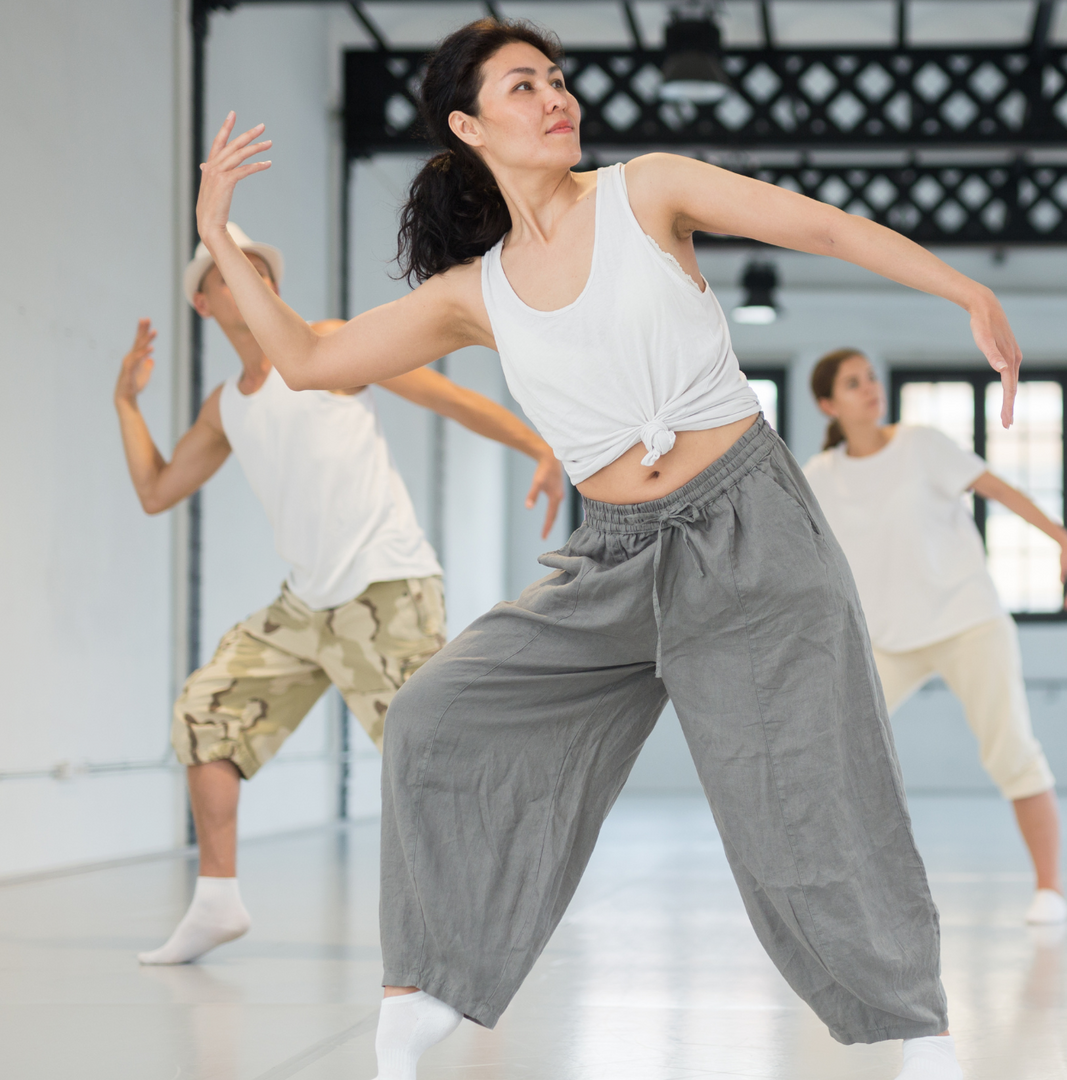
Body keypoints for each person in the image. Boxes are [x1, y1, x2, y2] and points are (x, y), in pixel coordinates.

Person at [192, 18, 1022, 1080]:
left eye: (557, 79)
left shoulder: (648, 192)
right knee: (436, 713)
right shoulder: (475, 294)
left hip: (752, 532)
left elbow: (818, 227)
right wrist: (218, 233)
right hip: (614, 556)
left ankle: (918, 1029)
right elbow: (310, 361)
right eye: (523, 85)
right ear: (467, 126)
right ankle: (431, 980)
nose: (556, 98)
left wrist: (965, 290)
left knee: (804, 803)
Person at [114, 223, 564, 967]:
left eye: (260, 268)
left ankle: (475, 921)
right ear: (204, 302)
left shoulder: (324, 346)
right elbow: (157, 490)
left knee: (426, 759)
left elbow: (446, 397)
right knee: (205, 713)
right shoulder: (225, 407)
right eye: (229, 271)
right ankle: (217, 903)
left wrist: (539, 446)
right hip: (304, 607)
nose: (251, 278)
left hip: (386, 588)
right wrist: (127, 404)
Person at [805, 349, 1067, 926]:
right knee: (832, 753)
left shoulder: (921, 445)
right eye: (853, 383)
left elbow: (998, 489)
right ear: (828, 404)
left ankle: (1050, 889)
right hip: (886, 639)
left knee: (1011, 751)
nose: (870, 388)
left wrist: (1060, 537)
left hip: (967, 622)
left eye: (871, 377)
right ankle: (837, 894)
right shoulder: (819, 476)